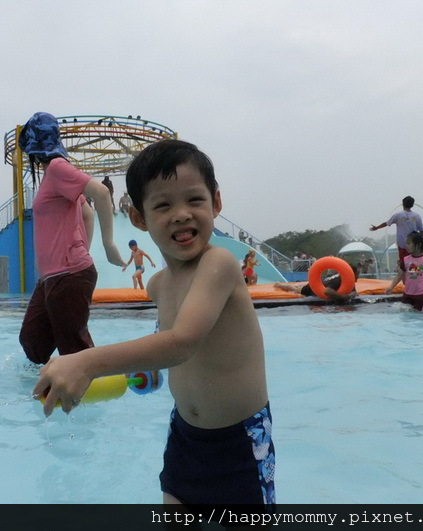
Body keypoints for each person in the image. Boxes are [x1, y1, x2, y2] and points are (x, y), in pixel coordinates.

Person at [33, 139, 275, 507]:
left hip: (240, 439)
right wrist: (150, 372)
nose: (181, 214)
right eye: (163, 205)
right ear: (138, 218)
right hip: (185, 435)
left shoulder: (220, 264)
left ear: (216, 203)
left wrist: (87, 362)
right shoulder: (158, 285)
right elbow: (167, 340)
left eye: (194, 200)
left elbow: (183, 342)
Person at [17, 112, 126, 365]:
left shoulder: (57, 168)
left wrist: (107, 244)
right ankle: (61, 377)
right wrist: (81, 249)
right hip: (52, 277)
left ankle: (92, 380)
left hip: (67, 274)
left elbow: (101, 193)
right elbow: (86, 213)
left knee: (74, 351)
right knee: (33, 342)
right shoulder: (53, 176)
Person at [386, 231, 423, 311]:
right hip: (407, 294)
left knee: (420, 316)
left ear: (418, 245)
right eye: (406, 243)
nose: (406, 246)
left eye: (409, 243)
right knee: (405, 314)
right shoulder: (405, 260)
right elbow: (399, 275)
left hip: (421, 295)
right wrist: (391, 287)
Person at [370, 196, 423, 265]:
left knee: (404, 264)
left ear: (403, 204)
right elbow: (422, 231)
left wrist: (377, 227)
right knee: (415, 263)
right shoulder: (417, 216)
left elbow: (386, 223)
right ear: (412, 205)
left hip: (403, 245)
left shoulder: (398, 215)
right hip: (415, 245)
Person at [275, 266, 359, 303]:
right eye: (357, 275)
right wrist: (344, 297)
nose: (358, 277)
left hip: (323, 282)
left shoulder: (348, 280)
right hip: (313, 288)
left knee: (299, 287)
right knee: (294, 289)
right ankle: (279, 285)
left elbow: (354, 292)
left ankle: (299, 285)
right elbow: (327, 292)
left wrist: (352, 294)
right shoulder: (338, 280)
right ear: (352, 274)